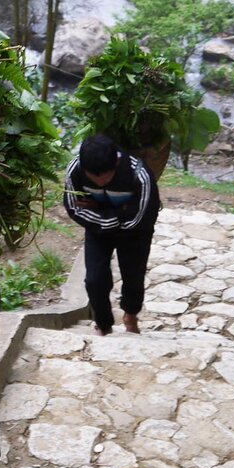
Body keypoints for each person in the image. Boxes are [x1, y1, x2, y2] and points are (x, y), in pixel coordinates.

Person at [63, 134, 160, 336]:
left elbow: (140, 217)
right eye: (93, 177)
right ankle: (103, 323)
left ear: (116, 162)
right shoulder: (75, 170)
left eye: (105, 176)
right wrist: (118, 213)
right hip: (98, 230)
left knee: (133, 276)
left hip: (135, 234)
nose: (99, 182)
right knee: (94, 279)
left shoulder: (139, 175)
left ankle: (130, 315)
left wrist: (98, 208)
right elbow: (75, 208)